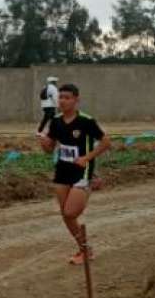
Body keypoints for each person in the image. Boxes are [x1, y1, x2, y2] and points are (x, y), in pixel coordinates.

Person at [39, 83, 112, 265]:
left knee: (71, 213)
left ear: (76, 100)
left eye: (67, 97)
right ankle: (85, 250)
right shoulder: (55, 121)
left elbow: (105, 142)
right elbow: (49, 149)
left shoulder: (86, 121)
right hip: (62, 171)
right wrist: (43, 141)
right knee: (65, 214)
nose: (62, 101)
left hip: (81, 171)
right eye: (60, 97)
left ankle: (91, 183)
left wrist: (87, 158)